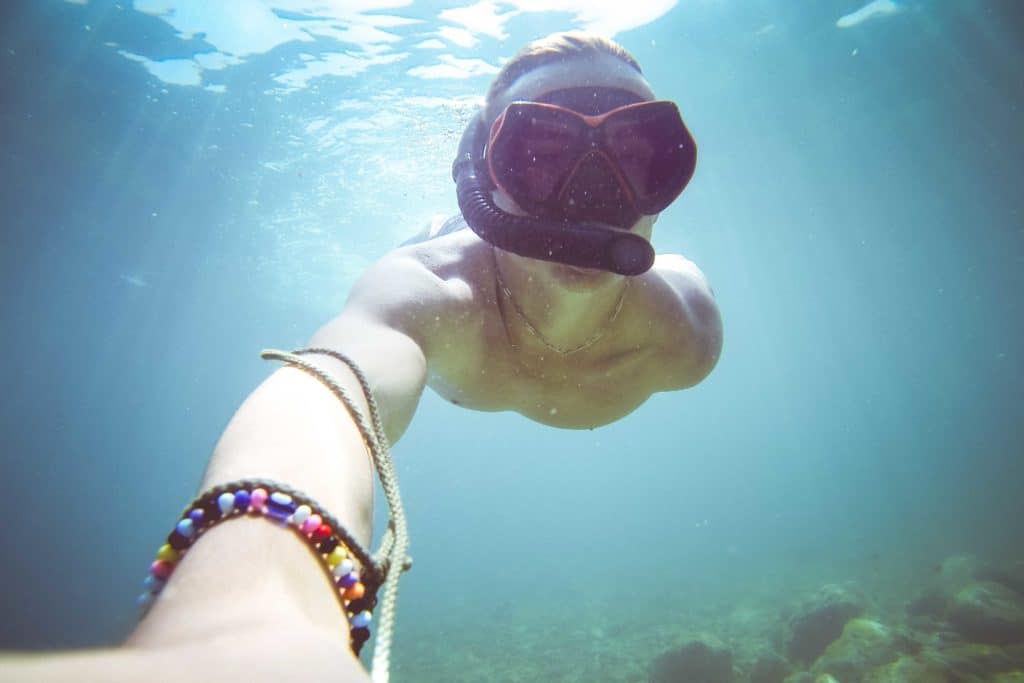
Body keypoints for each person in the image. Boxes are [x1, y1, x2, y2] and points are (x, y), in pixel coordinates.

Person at [0, 31, 721, 683]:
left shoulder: (687, 333)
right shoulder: (427, 292)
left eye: (635, 155)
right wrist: (248, 609)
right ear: (482, 173)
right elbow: (332, 382)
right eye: (542, 155)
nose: (592, 199)